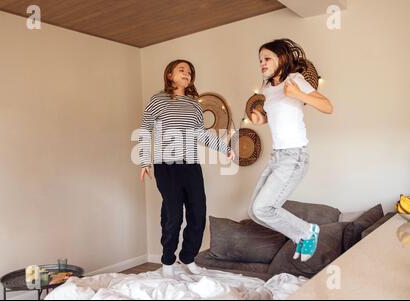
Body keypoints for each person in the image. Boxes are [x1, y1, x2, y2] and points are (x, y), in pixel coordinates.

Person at [139, 59, 235, 276]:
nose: (187, 73)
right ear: (170, 75)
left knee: (198, 212)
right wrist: (144, 161)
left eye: (190, 71)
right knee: (173, 214)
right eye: (181, 69)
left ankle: (188, 257)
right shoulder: (157, 100)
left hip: (191, 166)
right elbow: (145, 130)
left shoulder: (194, 105)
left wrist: (224, 147)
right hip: (166, 166)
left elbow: (201, 134)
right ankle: (167, 261)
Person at [248, 39, 333, 262]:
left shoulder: (295, 80)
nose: (262, 64)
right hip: (277, 156)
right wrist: (261, 119)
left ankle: (307, 231)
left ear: (282, 58)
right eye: (260, 60)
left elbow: (327, 106)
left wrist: (299, 95)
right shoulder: (267, 88)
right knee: (255, 212)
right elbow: (279, 115)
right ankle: (300, 236)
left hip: (294, 155)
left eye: (266, 58)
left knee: (264, 208)